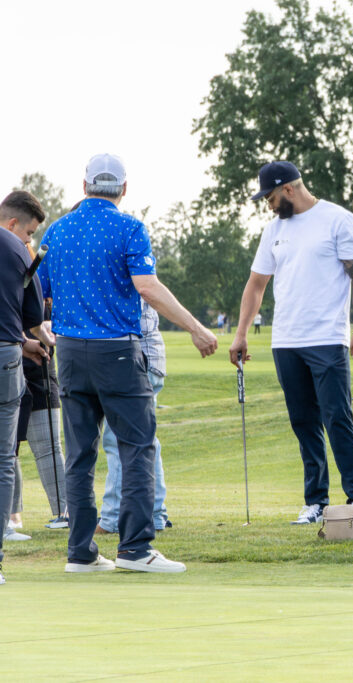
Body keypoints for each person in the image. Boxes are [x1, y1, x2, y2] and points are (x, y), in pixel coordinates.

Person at [39, 153, 217, 574]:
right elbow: (147, 287)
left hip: (68, 352)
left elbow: (39, 292)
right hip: (116, 352)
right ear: (123, 189)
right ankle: (135, 549)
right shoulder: (129, 228)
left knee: (80, 456)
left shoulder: (57, 230)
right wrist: (195, 327)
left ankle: (80, 553)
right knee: (137, 448)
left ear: (83, 187)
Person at [230, 161, 353, 524]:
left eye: (271, 197)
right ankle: (316, 502)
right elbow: (256, 284)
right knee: (303, 421)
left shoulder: (338, 219)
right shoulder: (272, 231)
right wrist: (241, 332)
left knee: (337, 417)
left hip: (327, 338)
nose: (268, 204)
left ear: (289, 189)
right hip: (285, 341)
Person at [2, 191, 67, 533]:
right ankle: (9, 522)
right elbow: (28, 316)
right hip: (11, 357)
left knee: (33, 446)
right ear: (13, 224)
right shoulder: (15, 253)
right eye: (28, 233)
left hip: (24, 353)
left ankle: (56, 513)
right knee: (5, 448)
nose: (31, 241)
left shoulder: (24, 255)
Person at [97, 301, 171, 534]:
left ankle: (113, 518)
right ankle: (156, 514)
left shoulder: (125, 267)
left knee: (119, 439)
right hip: (147, 356)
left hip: (135, 356)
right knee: (146, 440)